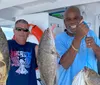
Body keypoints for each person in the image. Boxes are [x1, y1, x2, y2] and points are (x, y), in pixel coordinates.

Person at [55, 6, 100, 85]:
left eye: (75, 18)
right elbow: (65, 64)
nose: (72, 22)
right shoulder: (59, 39)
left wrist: (94, 46)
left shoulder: (91, 34)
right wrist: (78, 38)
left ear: (81, 19)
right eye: (68, 19)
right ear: (65, 22)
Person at [6, 19, 38, 85]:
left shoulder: (35, 47)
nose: (22, 32)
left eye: (25, 30)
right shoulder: (6, 45)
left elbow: (46, 60)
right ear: (14, 31)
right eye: (19, 29)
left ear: (28, 33)